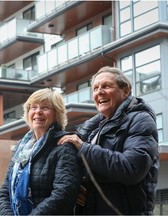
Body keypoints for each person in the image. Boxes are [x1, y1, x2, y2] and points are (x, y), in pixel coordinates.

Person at [58, 66, 159, 215]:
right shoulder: (93, 130)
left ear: (126, 91)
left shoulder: (140, 119)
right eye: (96, 88)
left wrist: (84, 148)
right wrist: (75, 186)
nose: (99, 92)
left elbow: (131, 168)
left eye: (106, 86)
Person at [0, 88, 83, 215]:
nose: (38, 112)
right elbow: (4, 191)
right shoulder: (21, 148)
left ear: (56, 114)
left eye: (45, 107)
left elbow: (64, 192)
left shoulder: (64, 145)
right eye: (34, 107)